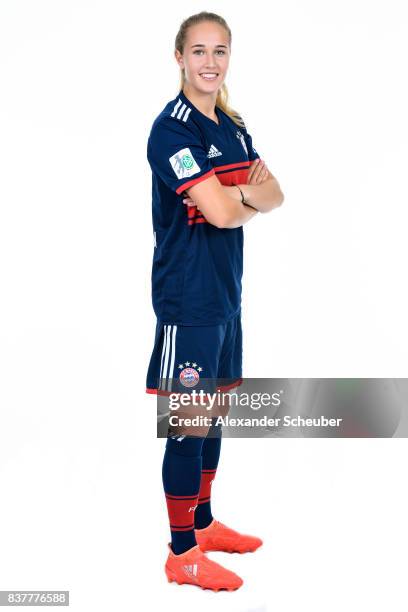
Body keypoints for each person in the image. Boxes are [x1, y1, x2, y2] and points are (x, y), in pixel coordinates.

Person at [145, 11, 284, 591]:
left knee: (217, 412)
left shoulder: (233, 123)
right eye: (198, 51)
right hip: (189, 299)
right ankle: (182, 554)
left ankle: (202, 523)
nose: (209, 62)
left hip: (228, 296)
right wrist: (240, 196)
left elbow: (277, 192)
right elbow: (231, 210)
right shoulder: (172, 132)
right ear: (179, 57)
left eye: (219, 51)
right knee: (189, 421)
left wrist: (238, 196)